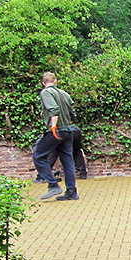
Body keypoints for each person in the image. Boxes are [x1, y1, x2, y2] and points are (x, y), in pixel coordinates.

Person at [33, 72, 79, 200]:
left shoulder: (46, 92)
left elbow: (53, 109)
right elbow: (72, 113)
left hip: (56, 130)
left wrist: (53, 127)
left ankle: (53, 185)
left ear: (43, 83)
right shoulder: (65, 94)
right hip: (68, 131)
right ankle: (71, 192)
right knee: (68, 161)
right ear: (55, 81)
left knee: (38, 156)